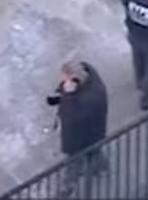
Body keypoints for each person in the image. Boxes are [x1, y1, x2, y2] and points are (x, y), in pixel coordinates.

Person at [46, 60, 109, 196]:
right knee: (94, 152)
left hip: (82, 137)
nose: (63, 83)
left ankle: (68, 187)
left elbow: (75, 118)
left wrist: (69, 97)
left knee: (74, 161)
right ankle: (101, 167)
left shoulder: (91, 97)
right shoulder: (88, 81)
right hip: (93, 133)